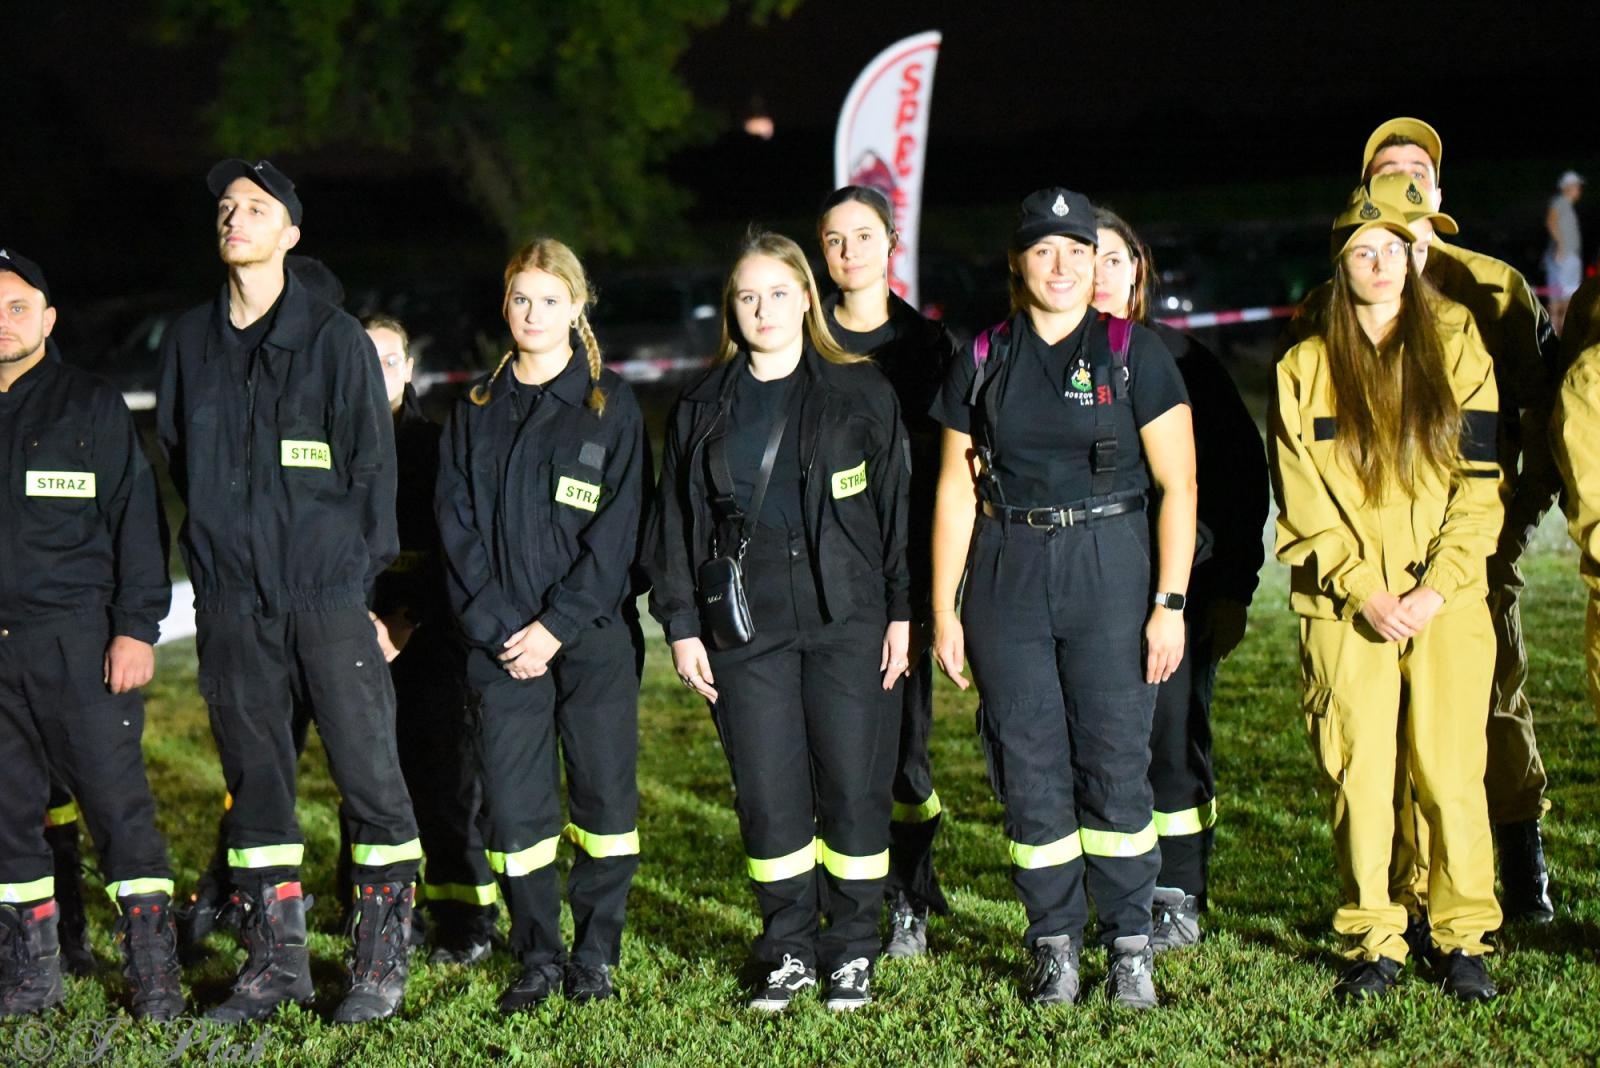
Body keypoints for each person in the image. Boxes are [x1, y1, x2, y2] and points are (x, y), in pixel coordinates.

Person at [155, 159, 422, 1025]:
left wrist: (347, 583)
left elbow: (373, 475)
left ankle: (379, 964)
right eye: (227, 206)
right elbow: (181, 457)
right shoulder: (187, 341)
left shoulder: (336, 341)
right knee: (256, 785)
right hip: (233, 604)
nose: (235, 217)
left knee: (370, 780)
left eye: (256, 208)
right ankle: (276, 966)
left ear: (290, 233)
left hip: (327, 598)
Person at [1286, 118, 1561, 923]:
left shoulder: (1491, 292)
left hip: (1471, 542)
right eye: (1387, 170)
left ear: (1436, 193)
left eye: (1418, 171)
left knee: (1480, 721)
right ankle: (1398, 900)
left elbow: (1541, 420)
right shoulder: (1324, 316)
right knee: (1372, 742)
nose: (1403, 183)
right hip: (1368, 567)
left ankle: (1513, 870)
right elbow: (1309, 456)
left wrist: (1505, 532)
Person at [929, 189, 1197, 1010]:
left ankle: (1128, 945)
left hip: (1108, 564)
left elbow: (1179, 485)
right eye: (1043, 250)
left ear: (1093, 262)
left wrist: (1170, 602)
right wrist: (943, 608)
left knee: (1115, 760)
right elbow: (955, 491)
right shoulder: (983, 357)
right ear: (1018, 263)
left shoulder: (1133, 352)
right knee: (1028, 762)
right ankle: (1053, 942)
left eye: (1076, 251)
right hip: (1007, 570)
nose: (1061, 266)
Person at [644, 230, 910, 1013]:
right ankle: (787, 949)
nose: (764, 309)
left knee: (854, 788)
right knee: (768, 793)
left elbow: (897, 511)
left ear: (806, 298)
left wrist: (902, 612)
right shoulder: (701, 406)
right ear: (733, 309)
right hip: (745, 629)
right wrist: (681, 626)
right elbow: (675, 525)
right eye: (748, 296)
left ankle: (852, 949)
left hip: (849, 618)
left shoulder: (861, 391)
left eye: (778, 293)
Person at [1271, 188, 1504, 1002]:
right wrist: (1365, 590)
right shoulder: (1303, 369)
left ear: (1413, 259)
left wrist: (1436, 587)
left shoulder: (1459, 349)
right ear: (1340, 268)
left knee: (1450, 771)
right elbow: (1302, 502)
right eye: (1363, 253)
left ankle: (1462, 937)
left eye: (1394, 251)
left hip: (1447, 602)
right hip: (1347, 609)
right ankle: (1376, 939)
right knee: (1361, 776)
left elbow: (1481, 484)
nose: (1380, 265)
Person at [435, 238, 646, 1012]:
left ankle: (595, 954)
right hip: (498, 647)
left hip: (589, 640)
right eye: (521, 298)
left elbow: (620, 533)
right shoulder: (475, 410)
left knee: (603, 805)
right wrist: (499, 628)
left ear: (577, 307)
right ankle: (538, 955)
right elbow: (455, 530)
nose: (533, 313)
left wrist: (557, 624)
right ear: (505, 304)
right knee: (515, 810)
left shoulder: (609, 405)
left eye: (550, 300)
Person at [0, 249, 182, 1019]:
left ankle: (154, 972)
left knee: (115, 805)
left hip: (76, 642)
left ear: (47, 320)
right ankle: (30, 972)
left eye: (17, 306)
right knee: (7, 815)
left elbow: (138, 524)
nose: (3, 321)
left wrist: (135, 630)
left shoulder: (91, 404)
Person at [1090, 208, 1268, 950]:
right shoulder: (1035, 369)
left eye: (1115, 259)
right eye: (1085, 257)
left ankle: (1178, 894)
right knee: (1096, 752)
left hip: (1178, 597)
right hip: (1082, 597)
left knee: (1171, 744)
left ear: (1138, 271)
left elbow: (1240, 480)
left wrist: (1230, 588)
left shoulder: (1185, 362)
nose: (1099, 274)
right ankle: (1114, 895)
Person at [817, 185, 958, 957]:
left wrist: (932, 592)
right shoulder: (804, 336)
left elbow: (949, 476)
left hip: (901, 578)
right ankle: (836, 901)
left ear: (891, 243)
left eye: (863, 236)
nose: (849, 253)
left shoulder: (927, 347)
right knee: (828, 753)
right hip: (818, 581)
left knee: (904, 752)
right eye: (835, 240)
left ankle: (910, 897)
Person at [365, 315, 498, 963]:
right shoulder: (329, 446)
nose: (377, 374)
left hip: (432, 634)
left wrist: (405, 619)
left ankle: (465, 917)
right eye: (364, 361)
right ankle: (384, 911)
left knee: (445, 779)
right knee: (369, 782)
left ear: (409, 369)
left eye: (389, 360)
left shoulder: (433, 446)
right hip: (354, 636)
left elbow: (455, 550)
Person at [1545, 171, 1584, 335]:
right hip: (1564, 258)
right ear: (1568, 187)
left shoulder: (1566, 206)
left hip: (1567, 258)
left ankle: (1560, 335)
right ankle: (1559, 336)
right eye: (1577, 186)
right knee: (1561, 300)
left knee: (1564, 299)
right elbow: (1551, 221)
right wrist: (1561, 245)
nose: (1579, 190)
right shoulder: (1560, 202)